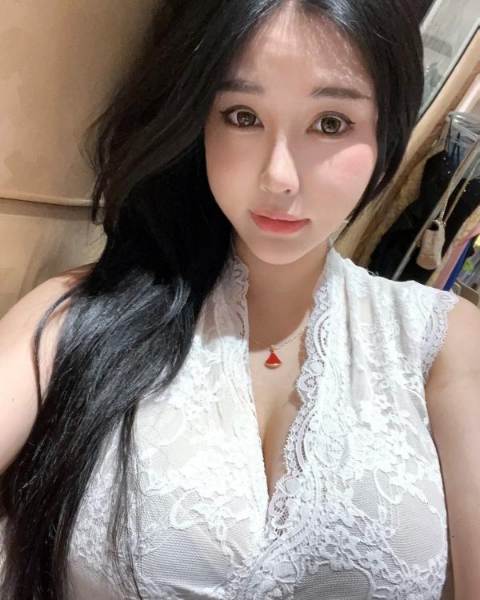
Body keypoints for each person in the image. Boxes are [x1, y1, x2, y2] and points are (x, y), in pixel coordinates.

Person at [0, 0, 479, 599]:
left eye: (331, 123)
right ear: (196, 119)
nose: (280, 177)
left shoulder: (442, 341)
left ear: (386, 131)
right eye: (242, 116)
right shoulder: (78, 314)